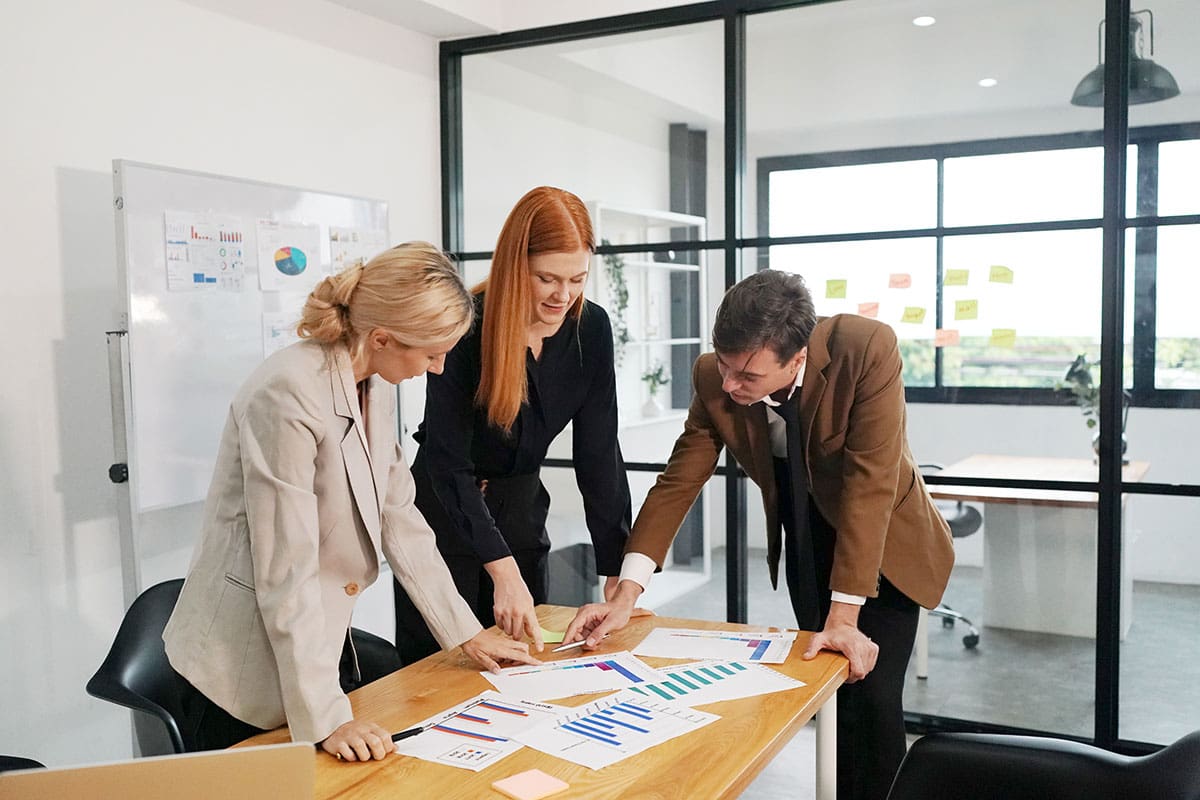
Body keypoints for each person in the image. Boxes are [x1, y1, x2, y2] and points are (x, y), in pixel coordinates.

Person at [564, 269, 955, 800]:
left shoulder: (864, 349)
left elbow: (870, 487)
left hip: (884, 543)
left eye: (746, 375)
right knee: (827, 690)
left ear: (798, 358)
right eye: (724, 365)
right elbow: (680, 479)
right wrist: (626, 592)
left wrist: (844, 617)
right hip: (805, 535)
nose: (728, 384)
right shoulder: (716, 377)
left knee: (874, 696)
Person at [163, 242, 539, 762]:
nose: (438, 368)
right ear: (382, 338)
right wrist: (327, 719)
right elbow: (284, 568)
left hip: (314, 642)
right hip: (242, 668)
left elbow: (401, 519)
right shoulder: (288, 392)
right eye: (431, 353)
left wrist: (466, 635)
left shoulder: (372, 381)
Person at [393, 187, 632, 665]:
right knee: (441, 672)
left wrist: (615, 567)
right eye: (547, 278)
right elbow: (447, 463)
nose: (563, 295)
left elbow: (599, 453)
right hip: (444, 518)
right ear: (515, 265)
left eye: (577, 278)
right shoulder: (467, 326)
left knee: (526, 667)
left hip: (521, 513)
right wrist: (503, 574)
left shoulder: (591, 329)